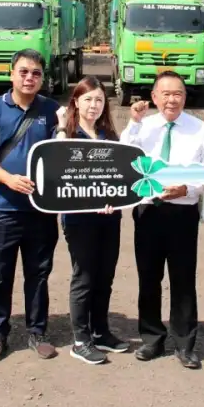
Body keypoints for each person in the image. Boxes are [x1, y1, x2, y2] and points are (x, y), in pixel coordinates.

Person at [120, 71, 204, 369]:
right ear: (154, 97)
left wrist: (187, 188)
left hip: (182, 213)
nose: (171, 100)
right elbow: (123, 156)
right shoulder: (143, 126)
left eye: (178, 94)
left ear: (185, 97)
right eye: (166, 94)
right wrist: (134, 121)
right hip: (148, 211)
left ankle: (185, 344)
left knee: (183, 280)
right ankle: (152, 338)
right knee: (149, 278)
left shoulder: (200, 130)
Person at [0, 49, 61, 362]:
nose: (29, 78)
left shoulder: (52, 110)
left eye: (36, 73)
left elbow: (64, 151)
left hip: (41, 210)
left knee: (38, 274)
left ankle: (37, 332)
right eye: (23, 71)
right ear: (11, 74)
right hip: (2, 208)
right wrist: (9, 180)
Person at [53, 76, 130, 365]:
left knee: (104, 277)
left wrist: (114, 200)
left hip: (109, 218)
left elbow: (118, 175)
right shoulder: (68, 133)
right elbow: (57, 164)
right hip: (79, 220)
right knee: (84, 277)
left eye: (99, 100)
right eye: (87, 99)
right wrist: (62, 126)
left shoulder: (108, 134)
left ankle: (100, 331)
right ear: (76, 101)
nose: (93, 105)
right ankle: (80, 340)